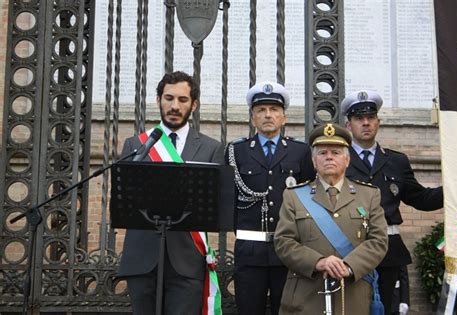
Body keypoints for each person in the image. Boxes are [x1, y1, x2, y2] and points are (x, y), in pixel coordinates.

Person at [117, 71, 224, 314]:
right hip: (142, 258)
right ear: (158, 100)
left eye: (183, 100)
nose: (175, 106)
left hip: (187, 262)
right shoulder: (135, 145)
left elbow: (214, 204)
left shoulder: (211, 148)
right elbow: (126, 199)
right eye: (169, 98)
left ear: (194, 105)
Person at [341, 90, 443, 314]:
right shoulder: (338, 159)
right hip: (349, 248)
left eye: (370, 118)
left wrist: (454, 190)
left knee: (388, 309)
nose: (365, 123)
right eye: (359, 119)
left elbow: (421, 199)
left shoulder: (396, 161)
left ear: (378, 122)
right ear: (348, 125)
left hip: (389, 249)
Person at [274, 122, 388, 314]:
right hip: (306, 297)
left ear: (347, 160)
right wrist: (318, 262)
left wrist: (349, 266)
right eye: (322, 153)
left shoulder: (369, 195)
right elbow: (283, 241)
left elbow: (378, 241)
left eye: (335, 153)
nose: (329, 157)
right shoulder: (294, 196)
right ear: (313, 160)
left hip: (353, 296)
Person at [226, 81, 315, 314]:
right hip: (249, 251)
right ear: (253, 118)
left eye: (274, 110)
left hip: (288, 251)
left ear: (284, 117)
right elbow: (229, 200)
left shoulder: (300, 152)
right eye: (261, 110)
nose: (268, 115)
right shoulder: (236, 151)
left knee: (286, 310)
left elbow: (310, 199)